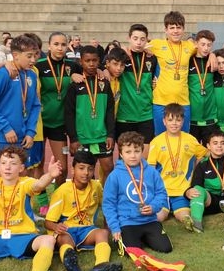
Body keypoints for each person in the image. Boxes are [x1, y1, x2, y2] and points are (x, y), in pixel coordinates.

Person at [44, 149, 121, 271]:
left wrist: (109, 228)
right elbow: (47, 222)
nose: (86, 173)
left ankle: (101, 265)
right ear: (73, 169)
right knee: (64, 239)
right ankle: (71, 264)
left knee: (102, 233)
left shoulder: (96, 187)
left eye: (90, 169)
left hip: (87, 230)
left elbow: (107, 207)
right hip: (67, 230)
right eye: (81, 168)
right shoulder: (62, 191)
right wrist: (56, 227)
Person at [102, 131, 172, 252]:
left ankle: (146, 237)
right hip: (127, 222)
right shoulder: (115, 176)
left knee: (166, 248)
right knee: (133, 252)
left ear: (142, 151)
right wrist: (115, 227)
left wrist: (154, 207)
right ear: (121, 154)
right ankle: (133, 238)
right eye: (128, 152)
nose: (133, 156)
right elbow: (108, 204)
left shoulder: (151, 171)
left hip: (149, 220)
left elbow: (161, 193)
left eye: (137, 151)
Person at [0, 34, 42, 170]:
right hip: (3, 136)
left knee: (22, 175)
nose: (33, 60)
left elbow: (35, 105)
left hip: (23, 137)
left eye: (35, 55)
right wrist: (6, 128)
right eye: (29, 56)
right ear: (15, 55)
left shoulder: (32, 75)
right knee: (6, 176)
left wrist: (30, 132)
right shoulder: (4, 74)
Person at [148, 103, 208, 230]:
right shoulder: (156, 142)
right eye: (170, 120)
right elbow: (151, 169)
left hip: (182, 190)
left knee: (184, 215)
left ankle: (188, 221)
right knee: (159, 217)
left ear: (183, 121)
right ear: (164, 121)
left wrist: (196, 171)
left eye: (178, 120)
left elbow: (205, 154)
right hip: (162, 191)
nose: (174, 123)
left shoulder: (190, 140)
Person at [36, 31, 83, 192]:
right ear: (49, 46)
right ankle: (42, 203)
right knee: (38, 164)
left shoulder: (73, 66)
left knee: (61, 167)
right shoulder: (39, 66)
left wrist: (100, 71)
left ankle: (57, 199)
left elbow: (92, 73)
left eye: (63, 44)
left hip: (60, 125)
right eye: (56, 44)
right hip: (39, 123)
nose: (60, 48)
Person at [64, 44, 115, 183]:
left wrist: (111, 134)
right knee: (85, 171)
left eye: (94, 60)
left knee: (108, 167)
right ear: (81, 62)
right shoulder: (75, 85)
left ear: (99, 61)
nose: (91, 64)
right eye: (87, 61)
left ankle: (106, 199)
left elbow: (110, 109)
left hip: (102, 135)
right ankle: (87, 200)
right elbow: (69, 113)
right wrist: (73, 138)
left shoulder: (104, 82)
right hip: (82, 136)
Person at [150, 11, 198, 134]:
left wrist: (213, 56)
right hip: (161, 102)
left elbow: (206, 51)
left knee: (183, 139)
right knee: (161, 139)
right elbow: (134, 47)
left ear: (183, 29)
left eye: (178, 27)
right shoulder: (157, 44)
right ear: (165, 29)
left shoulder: (190, 46)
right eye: (172, 28)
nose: (175, 31)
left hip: (183, 102)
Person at [116, 24, 156, 149]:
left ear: (146, 40)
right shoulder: (121, 56)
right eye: (135, 38)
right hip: (125, 115)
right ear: (129, 38)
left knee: (144, 158)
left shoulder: (152, 58)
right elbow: (104, 67)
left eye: (142, 39)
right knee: (126, 158)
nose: (139, 42)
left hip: (146, 115)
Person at [188, 29, 219, 144]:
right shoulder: (188, 61)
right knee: (192, 155)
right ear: (196, 44)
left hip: (210, 117)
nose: (206, 48)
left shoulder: (214, 61)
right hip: (191, 118)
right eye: (203, 44)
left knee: (209, 153)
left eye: (209, 45)